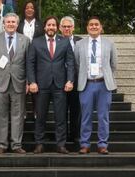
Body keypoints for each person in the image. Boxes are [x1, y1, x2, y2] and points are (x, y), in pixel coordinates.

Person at [26, 16, 75, 154]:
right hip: (41, 85)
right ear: (45, 27)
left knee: (60, 117)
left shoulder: (65, 42)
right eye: (49, 25)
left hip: (60, 85)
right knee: (40, 116)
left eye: (53, 25)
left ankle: (61, 145)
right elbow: (30, 63)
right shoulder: (36, 42)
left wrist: (70, 80)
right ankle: (39, 144)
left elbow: (70, 62)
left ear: (57, 27)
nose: (51, 27)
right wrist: (32, 81)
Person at [75, 16, 117, 155]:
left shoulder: (109, 44)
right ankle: (85, 144)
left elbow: (113, 65)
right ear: (87, 28)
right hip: (86, 84)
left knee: (103, 117)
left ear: (101, 27)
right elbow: (77, 64)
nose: (94, 27)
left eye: (96, 25)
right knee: (85, 116)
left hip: (103, 84)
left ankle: (102, 145)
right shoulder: (79, 44)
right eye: (91, 25)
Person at [0, 12, 28, 154]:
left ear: (17, 24)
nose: (11, 24)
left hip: (19, 82)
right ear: (3, 24)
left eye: (13, 22)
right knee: (1, 115)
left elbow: (28, 63)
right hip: (0, 82)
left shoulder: (25, 40)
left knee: (18, 115)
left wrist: (28, 82)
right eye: (8, 22)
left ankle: (16, 144)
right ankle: (1, 144)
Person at [60, 15, 82, 148]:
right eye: (64, 26)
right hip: (60, 81)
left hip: (77, 81)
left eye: (69, 26)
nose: (67, 29)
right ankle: (62, 137)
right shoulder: (55, 40)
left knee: (76, 110)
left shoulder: (81, 41)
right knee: (61, 111)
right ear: (60, 28)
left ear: (73, 28)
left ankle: (76, 136)